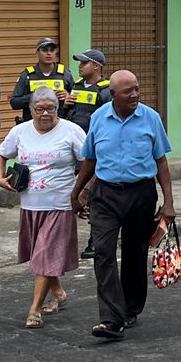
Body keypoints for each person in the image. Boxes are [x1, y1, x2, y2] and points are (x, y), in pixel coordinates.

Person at [71, 70, 176, 341]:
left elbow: (161, 162)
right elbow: (90, 159)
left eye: (137, 89)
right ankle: (110, 319)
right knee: (102, 253)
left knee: (134, 253)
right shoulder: (99, 118)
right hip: (105, 195)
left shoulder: (150, 118)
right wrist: (77, 191)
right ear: (113, 95)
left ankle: (130, 307)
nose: (135, 95)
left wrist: (168, 202)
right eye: (128, 91)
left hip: (140, 194)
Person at [0, 88, 87, 329]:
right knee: (41, 254)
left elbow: (90, 160)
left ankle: (34, 310)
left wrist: (82, 192)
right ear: (31, 109)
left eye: (51, 108)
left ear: (58, 108)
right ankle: (58, 293)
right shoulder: (20, 131)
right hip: (31, 205)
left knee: (45, 254)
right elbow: (0, 154)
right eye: (40, 109)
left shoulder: (71, 131)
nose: (46, 114)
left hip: (60, 204)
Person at [73, 48, 112, 260]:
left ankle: (95, 241)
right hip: (77, 151)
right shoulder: (76, 87)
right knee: (79, 194)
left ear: (96, 66)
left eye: (84, 63)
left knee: (95, 197)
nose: (79, 67)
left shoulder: (105, 91)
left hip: (95, 152)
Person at [11, 38, 76, 124]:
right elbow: (14, 103)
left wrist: (68, 97)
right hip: (34, 126)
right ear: (37, 52)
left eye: (52, 50)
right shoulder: (27, 75)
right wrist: (38, 96)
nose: (49, 53)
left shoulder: (65, 74)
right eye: (45, 50)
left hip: (59, 125)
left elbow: (76, 101)